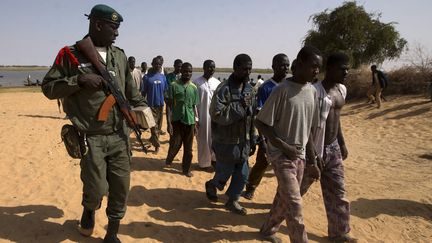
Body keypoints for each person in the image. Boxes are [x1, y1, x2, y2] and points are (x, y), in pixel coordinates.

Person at [41, 4, 147, 243]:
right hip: (91, 136)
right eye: (113, 27)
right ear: (98, 25)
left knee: (121, 186)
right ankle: (89, 209)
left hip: (120, 134)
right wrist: (78, 80)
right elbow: (48, 88)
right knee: (96, 188)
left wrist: (141, 113)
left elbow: (132, 93)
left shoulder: (119, 55)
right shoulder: (69, 54)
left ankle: (112, 233)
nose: (117, 33)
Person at [256, 46, 322, 243]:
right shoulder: (281, 90)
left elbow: (309, 131)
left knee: (283, 199)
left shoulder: (312, 92)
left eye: (319, 67)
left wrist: (312, 161)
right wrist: (284, 146)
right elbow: (260, 122)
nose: (317, 71)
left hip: (300, 157)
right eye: (313, 66)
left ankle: (268, 229)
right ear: (299, 65)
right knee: (295, 204)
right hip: (280, 155)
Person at [300, 52, 357, 243]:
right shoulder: (313, 92)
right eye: (343, 68)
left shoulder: (342, 90)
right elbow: (306, 126)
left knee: (339, 192)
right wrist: (311, 156)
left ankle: (339, 232)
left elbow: (336, 119)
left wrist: (341, 142)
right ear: (330, 69)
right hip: (312, 150)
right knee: (296, 190)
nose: (347, 72)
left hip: (333, 149)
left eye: (348, 68)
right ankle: (271, 223)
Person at [205, 54, 257, 216]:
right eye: (244, 69)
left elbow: (252, 116)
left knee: (243, 173)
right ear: (235, 68)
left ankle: (232, 200)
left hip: (243, 141)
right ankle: (212, 185)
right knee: (225, 172)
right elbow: (217, 115)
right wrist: (239, 106)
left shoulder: (249, 89)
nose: (247, 72)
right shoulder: (224, 89)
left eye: (250, 69)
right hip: (225, 141)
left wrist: (253, 138)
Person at [242, 53, 290, 200]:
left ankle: (283, 195)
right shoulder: (266, 88)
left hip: (286, 134)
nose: (286, 68)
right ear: (273, 67)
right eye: (282, 65)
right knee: (262, 163)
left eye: (287, 65)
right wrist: (262, 139)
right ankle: (250, 186)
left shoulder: (291, 86)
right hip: (269, 133)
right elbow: (259, 116)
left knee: (286, 169)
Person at [165, 62, 199, 177]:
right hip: (177, 120)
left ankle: (186, 169)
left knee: (188, 149)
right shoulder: (174, 86)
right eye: (185, 71)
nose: (188, 73)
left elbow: (194, 106)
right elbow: (169, 106)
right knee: (175, 144)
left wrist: (196, 123)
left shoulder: (194, 88)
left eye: (190, 71)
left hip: (190, 121)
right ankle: (169, 159)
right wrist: (169, 123)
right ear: (181, 71)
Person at [193, 60, 220, 171]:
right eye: (209, 67)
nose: (211, 69)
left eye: (213, 67)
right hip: (202, 117)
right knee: (203, 140)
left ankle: (214, 160)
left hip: (215, 117)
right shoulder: (196, 83)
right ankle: (204, 164)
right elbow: (193, 103)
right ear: (203, 68)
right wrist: (196, 118)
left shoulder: (217, 83)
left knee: (215, 139)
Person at [141, 56, 168, 154]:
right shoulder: (147, 77)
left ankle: (153, 140)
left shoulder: (163, 77)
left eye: (159, 64)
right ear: (152, 64)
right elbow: (143, 93)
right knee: (153, 126)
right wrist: (142, 104)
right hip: (150, 105)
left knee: (159, 127)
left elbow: (165, 92)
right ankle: (157, 146)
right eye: (156, 64)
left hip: (160, 105)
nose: (158, 66)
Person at [165, 59, 183, 135]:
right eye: (178, 66)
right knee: (171, 122)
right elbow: (166, 89)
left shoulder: (184, 77)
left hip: (181, 103)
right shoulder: (168, 77)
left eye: (181, 67)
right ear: (174, 66)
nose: (179, 68)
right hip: (171, 102)